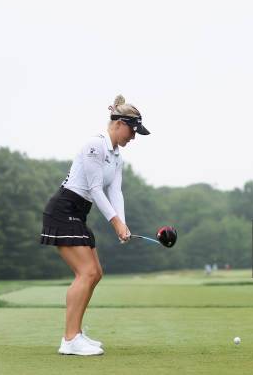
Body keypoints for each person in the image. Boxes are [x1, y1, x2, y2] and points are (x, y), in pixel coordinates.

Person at [40, 94, 150, 356]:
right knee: (86, 273)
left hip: (77, 213)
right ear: (119, 123)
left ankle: (76, 334)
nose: (133, 137)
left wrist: (123, 223)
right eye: (132, 131)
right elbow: (94, 189)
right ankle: (69, 340)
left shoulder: (116, 156)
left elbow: (115, 192)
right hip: (63, 210)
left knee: (95, 273)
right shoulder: (95, 146)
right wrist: (115, 223)